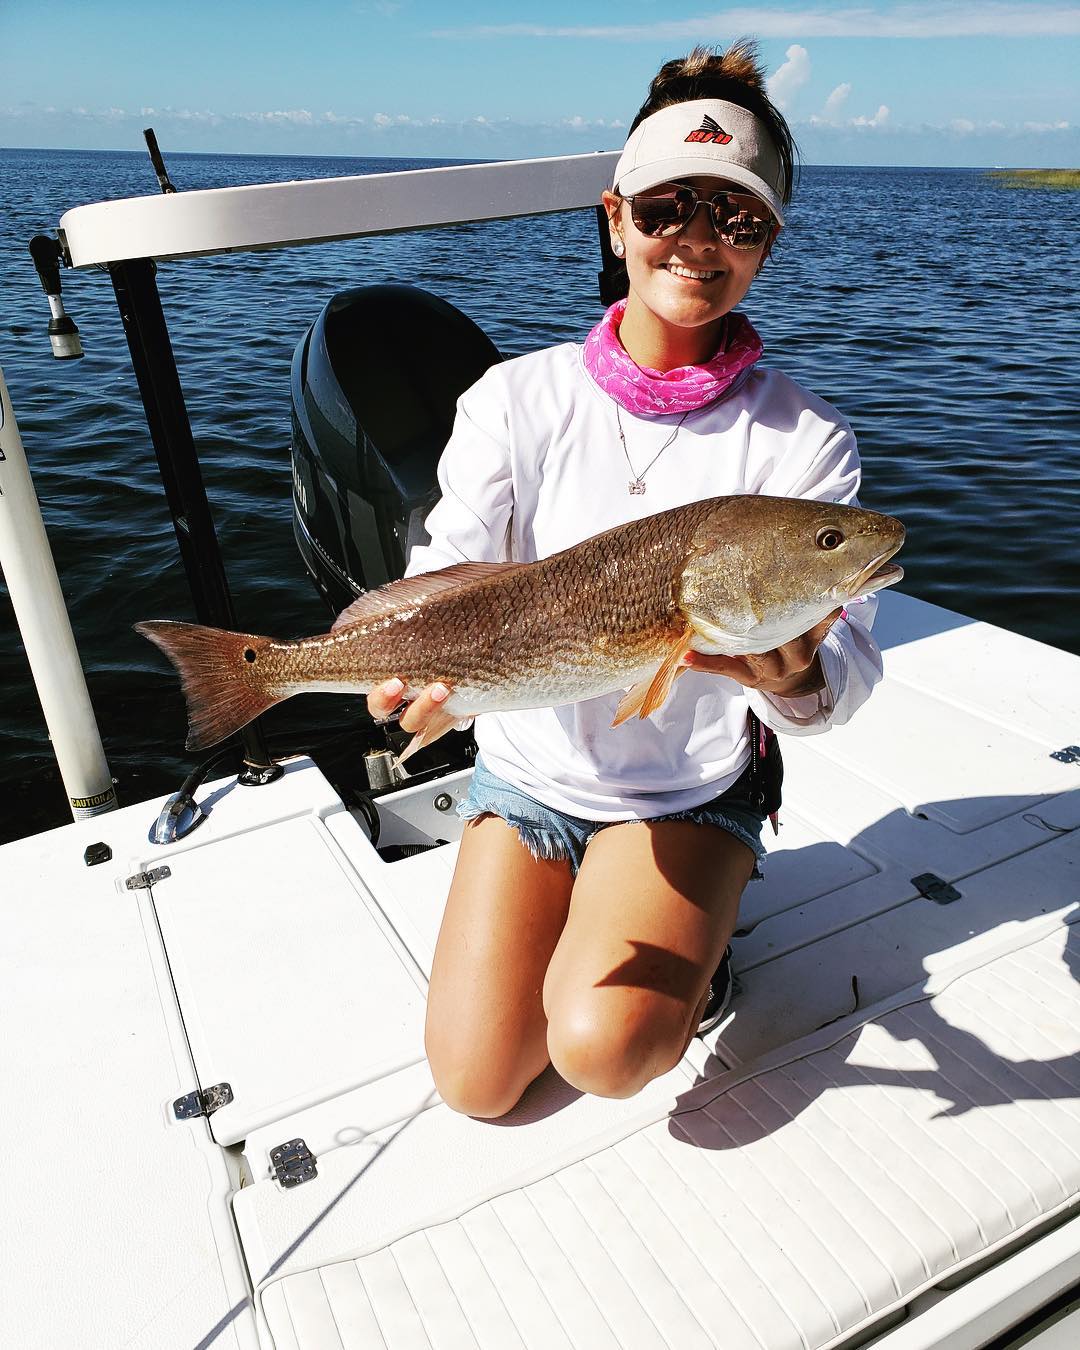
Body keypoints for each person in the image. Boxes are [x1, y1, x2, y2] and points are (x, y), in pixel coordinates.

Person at [367, 42, 884, 1118]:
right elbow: (446, 564)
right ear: (616, 219)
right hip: (525, 770)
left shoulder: (806, 444)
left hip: (683, 788)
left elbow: (840, 677)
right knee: (477, 1084)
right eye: (667, 211)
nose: (698, 243)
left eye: (737, 219)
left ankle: (706, 931)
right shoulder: (514, 398)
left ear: (770, 240)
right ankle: (600, 901)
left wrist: (794, 681)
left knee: (603, 1048)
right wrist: (396, 666)